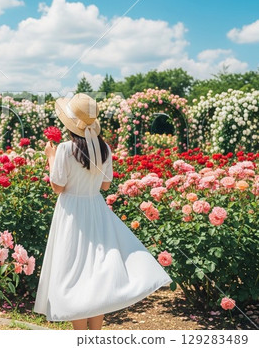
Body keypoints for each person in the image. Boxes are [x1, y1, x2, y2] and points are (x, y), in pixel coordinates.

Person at [33, 93, 173, 330]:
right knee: (96, 272)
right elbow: (106, 185)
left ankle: (80, 335)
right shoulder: (104, 147)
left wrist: (51, 158)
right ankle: (96, 335)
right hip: (96, 208)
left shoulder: (65, 149)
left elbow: (58, 187)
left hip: (72, 213)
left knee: (74, 272)